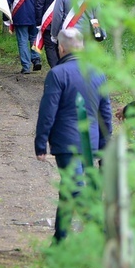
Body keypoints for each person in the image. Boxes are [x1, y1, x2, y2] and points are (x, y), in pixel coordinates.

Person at [35, 28, 113, 242]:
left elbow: (47, 112)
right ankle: (59, 239)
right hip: (91, 142)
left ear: (60, 48)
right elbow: (105, 114)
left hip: (66, 143)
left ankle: (102, 229)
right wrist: (106, 144)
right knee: (69, 189)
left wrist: (40, 143)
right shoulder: (97, 73)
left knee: (74, 187)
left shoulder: (57, 74)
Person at [4, 0, 43, 74]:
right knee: (34, 38)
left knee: (22, 40)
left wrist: (6, 17)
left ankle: (26, 66)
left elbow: (7, 0)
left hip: (20, 15)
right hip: (35, 15)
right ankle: (36, 60)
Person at [35, 0, 64, 68]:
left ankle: (55, 70)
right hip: (65, 22)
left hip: (48, 23)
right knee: (63, 47)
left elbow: (39, 4)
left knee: (50, 47)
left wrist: (38, 22)